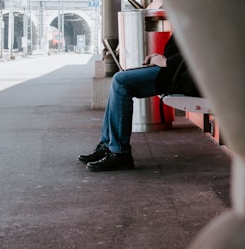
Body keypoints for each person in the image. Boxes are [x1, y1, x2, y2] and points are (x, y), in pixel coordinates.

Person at [80, 34, 199, 172]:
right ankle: (108, 145)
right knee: (119, 80)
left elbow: (201, 53)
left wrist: (166, 62)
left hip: (180, 75)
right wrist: (160, 58)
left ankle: (119, 152)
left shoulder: (205, 17)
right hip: (176, 71)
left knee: (121, 81)